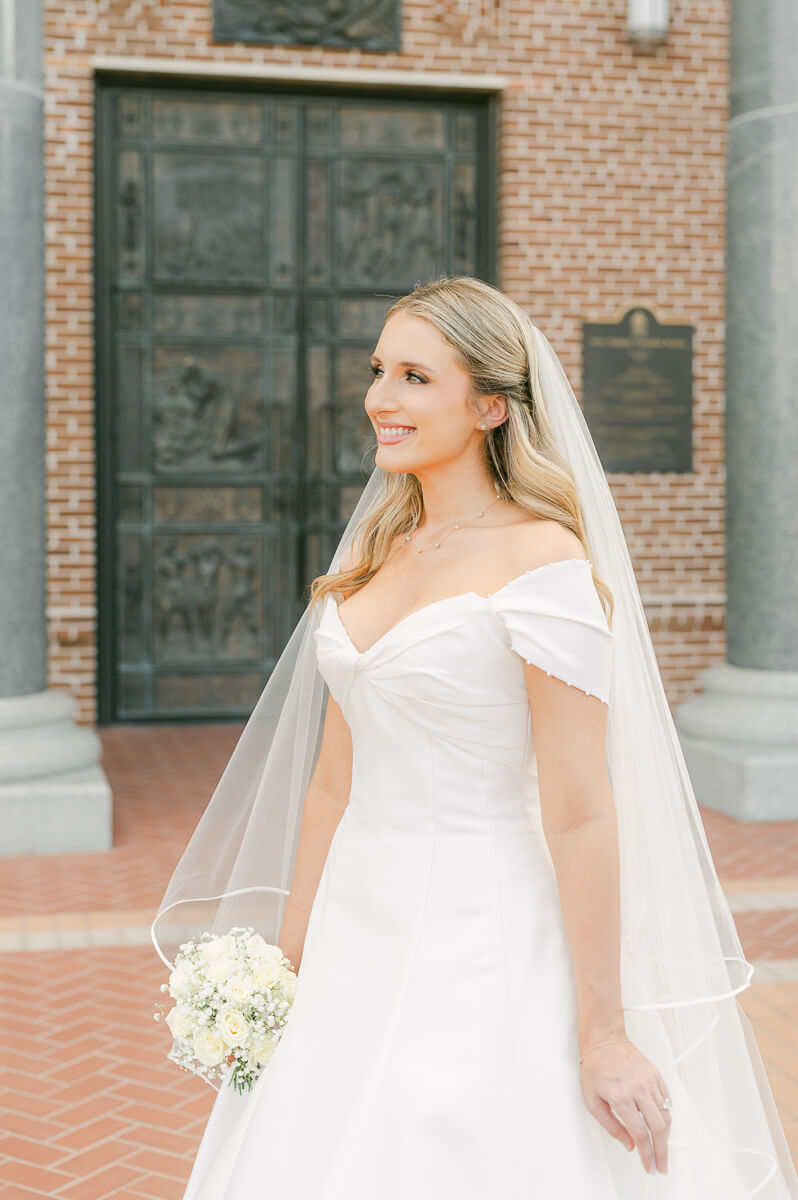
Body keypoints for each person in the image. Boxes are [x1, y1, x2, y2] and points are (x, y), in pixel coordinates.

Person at [154, 275, 798, 1198]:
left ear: (491, 404)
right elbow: (334, 783)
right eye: (380, 370)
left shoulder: (544, 562)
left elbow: (579, 811)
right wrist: (285, 969)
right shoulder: (379, 547)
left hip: (485, 930)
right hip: (353, 926)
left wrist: (605, 1032)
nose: (382, 397)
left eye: (417, 376)